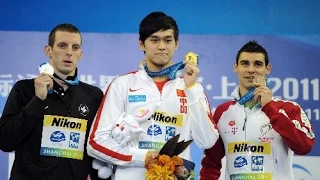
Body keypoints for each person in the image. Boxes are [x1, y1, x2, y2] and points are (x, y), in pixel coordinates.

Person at [87, 11, 219, 180]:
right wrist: (142, 157)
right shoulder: (123, 84)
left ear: (176, 44)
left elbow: (207, 141)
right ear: (141, 44)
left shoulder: (192, 88)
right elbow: (96, 142)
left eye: (168, 40)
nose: (162, 46)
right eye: (154, 40)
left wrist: (191, 88)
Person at [0, 23, 104, 180]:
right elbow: (6, 142)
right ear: (48, 50)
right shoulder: (25, 89)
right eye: (62, 45)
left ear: (80, 55)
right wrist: (38, 100)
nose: (69, 52)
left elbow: (97, 148)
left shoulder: (93, 95)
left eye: (75, 47)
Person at [200, 41, 315, 180]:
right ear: (235, 67)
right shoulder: (223, 112)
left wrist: (269, 107)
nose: (251, 70)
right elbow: (210, 165)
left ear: (268, 69)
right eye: (245, 63)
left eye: (258, 64)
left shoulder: (288, 109)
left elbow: (305, 146)